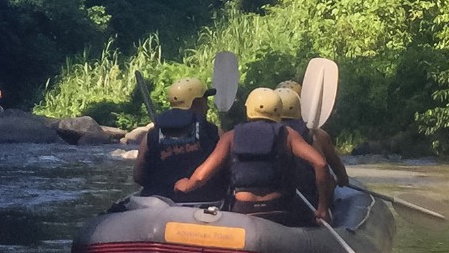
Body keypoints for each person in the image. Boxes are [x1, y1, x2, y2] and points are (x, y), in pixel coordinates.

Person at [177, 88, 332, 226]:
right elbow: (321, 164)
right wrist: (323, 208)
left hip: (243, 209)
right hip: (278, 209)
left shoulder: (231, 136)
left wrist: (187, 184)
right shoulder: (288, 135)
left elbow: (202, 175)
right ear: (278, 109)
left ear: (249, 110)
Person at [134, 76, 221, 199]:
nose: (208, 107)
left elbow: (138, 176)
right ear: (196, 102)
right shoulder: (214, 132)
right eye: (205, 101)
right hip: (203, 202)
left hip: (158, 202)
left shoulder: (151, 135)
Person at [277, 80, 350, 189]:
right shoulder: (318, 134)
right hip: (308, 194)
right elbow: (338, 172)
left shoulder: (265, 134)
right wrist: (339, 181)